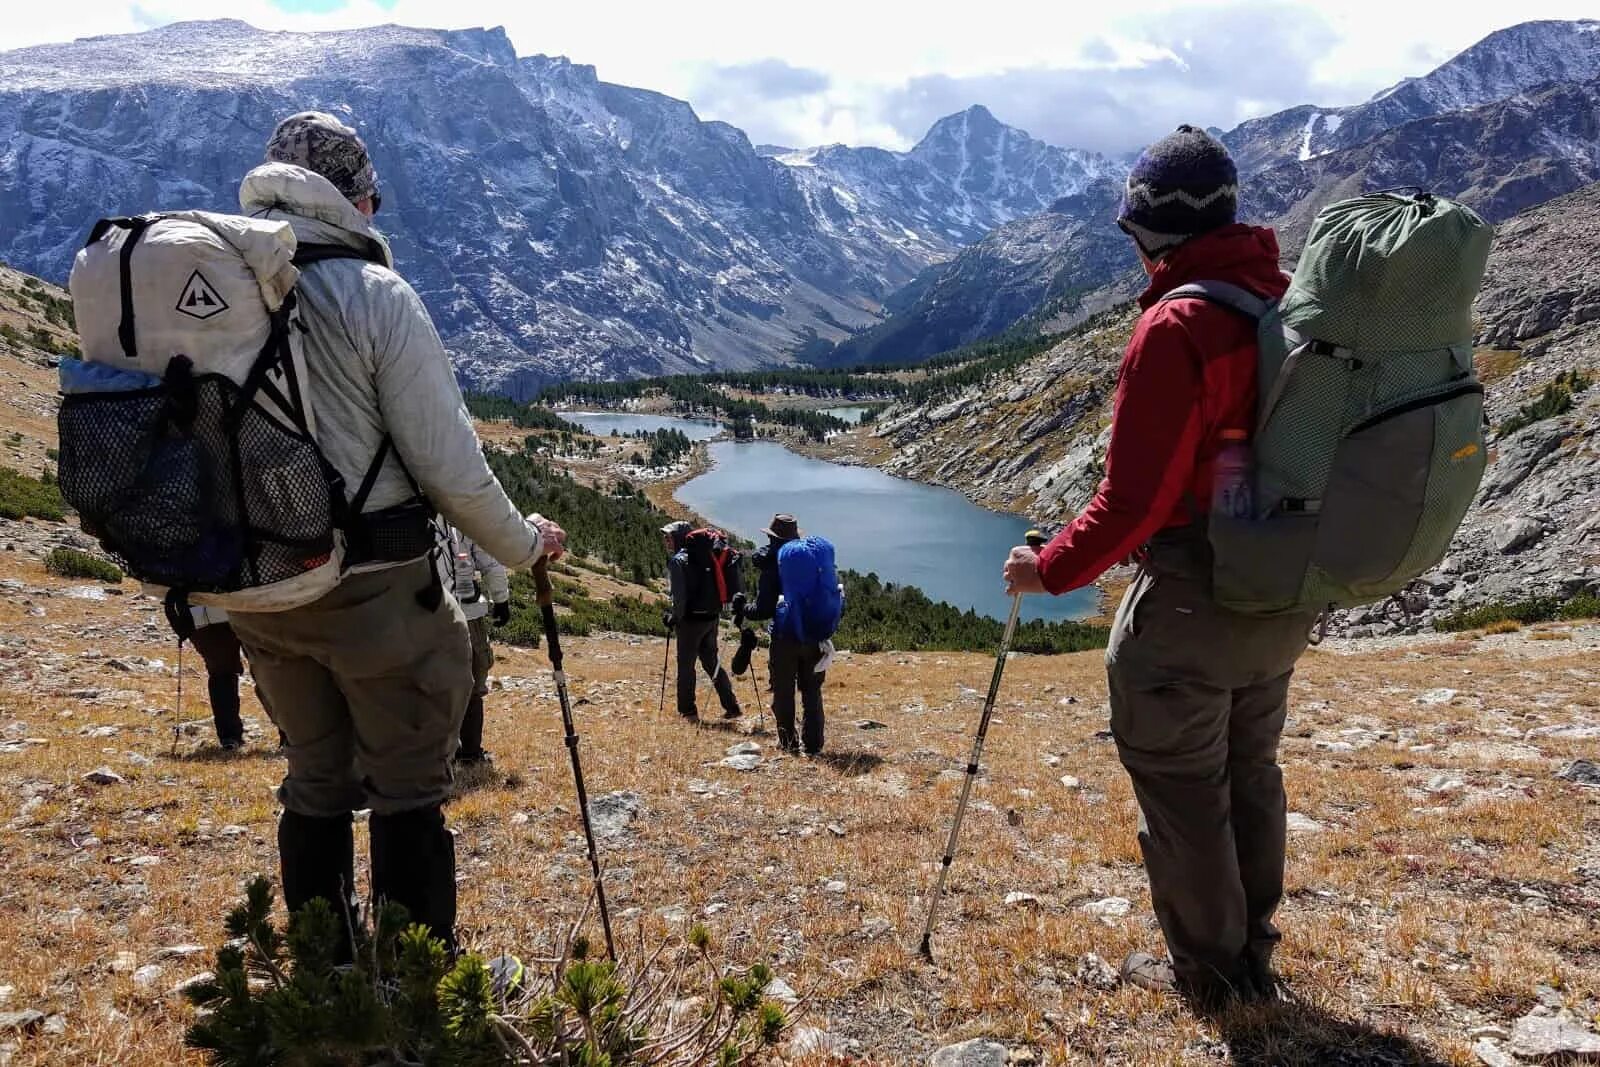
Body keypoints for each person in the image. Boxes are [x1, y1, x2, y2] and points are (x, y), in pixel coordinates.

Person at [226, 111, 565, 954]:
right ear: (357, 197)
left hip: (256, 582)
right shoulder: (373, 293)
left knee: (314, 778)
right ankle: (413, 987)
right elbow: (450, 471)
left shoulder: (223, 280)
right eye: (373, 194)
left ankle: (322, 977)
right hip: (374, 586)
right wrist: (524, 546)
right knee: (409, 785)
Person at [1002, 125, 1315, 1004]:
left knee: (1183, 788)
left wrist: (1048, 569)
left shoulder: (1178, 323)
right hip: (1278, 591)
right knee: (1250, 771)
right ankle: (1252, 951)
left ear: (1148, 229)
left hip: (1190, 598)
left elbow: (1133, 502)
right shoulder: (1284, 303)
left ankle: (1214, 978)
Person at [744, 513, 829, 755]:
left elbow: (762, 610)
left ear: (773, 539)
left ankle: (788, 742)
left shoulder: (772, 567)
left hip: (784, 637)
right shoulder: (812, 562)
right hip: (813, 635)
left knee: (784, 690)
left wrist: (743, 608)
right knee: (812, 690)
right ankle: (814, 745)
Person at [445, 524, 512, 768]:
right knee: (474, 681)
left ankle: (441, 757)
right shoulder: (462, 518)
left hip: (427, 615)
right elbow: (490, 563)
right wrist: (501, 599)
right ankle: (471, 751)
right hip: (468, 613)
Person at [661, 521, 742, 722]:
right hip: (711, 618)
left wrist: (674, 618)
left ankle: (687, 711)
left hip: (690, 622)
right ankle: (731, 706)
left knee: (686, 667)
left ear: (679, 537)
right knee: (711, 662)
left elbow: (680, 597)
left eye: (668, 537)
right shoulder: (708, 555)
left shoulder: (678, 561)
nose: (666, 541)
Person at [176, 605, 246, 750]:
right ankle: (290, 734)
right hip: (210, 608)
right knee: (264, 667)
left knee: (223, 672)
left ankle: (230, 737)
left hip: (203, 612)